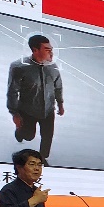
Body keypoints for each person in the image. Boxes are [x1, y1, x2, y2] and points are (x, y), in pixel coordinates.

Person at [7, 35, 64, 165]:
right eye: (47, 50)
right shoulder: (19, 67)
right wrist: (14, 113)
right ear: (35, 50)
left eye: (51, 49)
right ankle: (20, 132)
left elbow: (58, 87)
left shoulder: (54, 68)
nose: (51, 53)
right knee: (29, 136)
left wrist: (60, 103)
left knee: (47, 136)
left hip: (48, 110)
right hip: (28, 110)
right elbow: (12, 91)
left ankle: (43, 158)